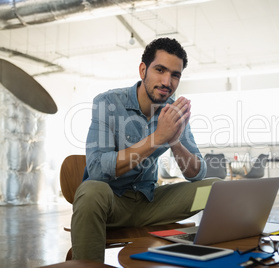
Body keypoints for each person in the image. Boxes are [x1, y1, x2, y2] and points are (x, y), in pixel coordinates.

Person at [71, 37, 218, 262]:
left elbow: (197, 174)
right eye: (160, 70)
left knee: (214, 189)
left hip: (151, 204)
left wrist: (175, 140)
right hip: (111, 205)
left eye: (175, 75)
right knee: (91, 191)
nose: (167, 81)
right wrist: (158, 137)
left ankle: (225, 260)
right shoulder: (108, 103)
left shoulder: (172, 109)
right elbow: (98, 169)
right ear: (143, 70)